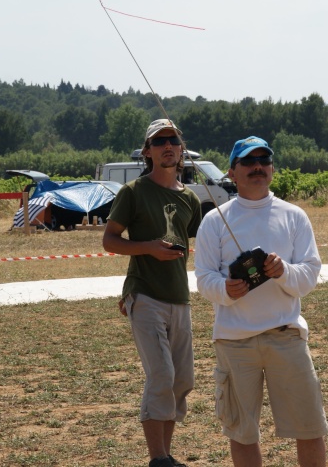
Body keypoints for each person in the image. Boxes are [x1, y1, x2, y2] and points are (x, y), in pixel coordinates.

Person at [195, 136, 328, 467]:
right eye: (248, 161)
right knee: (242, 432)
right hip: (234, 342)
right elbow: (203, 279)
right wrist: (227, 289)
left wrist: (283, 271)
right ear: (232, 172)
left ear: (272, 168)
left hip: (287, 337)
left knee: (310, 428)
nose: (257, 167)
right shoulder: (214, 221)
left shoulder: (295, 216)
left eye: (264, 160)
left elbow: (310, 275)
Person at [102, 119, 202, 467]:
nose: (167, 146)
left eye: (173, 140)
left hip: (180, 297)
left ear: (181, 149)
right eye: (159, 141)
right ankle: (157, 458)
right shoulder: (134, 192)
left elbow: (197, 242)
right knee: (161, 375)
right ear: (147, 152)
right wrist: (149, 249)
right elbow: (110, 240)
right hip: (144, 294)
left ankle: (166, 455)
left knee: (182, 380)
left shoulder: (190, 198)